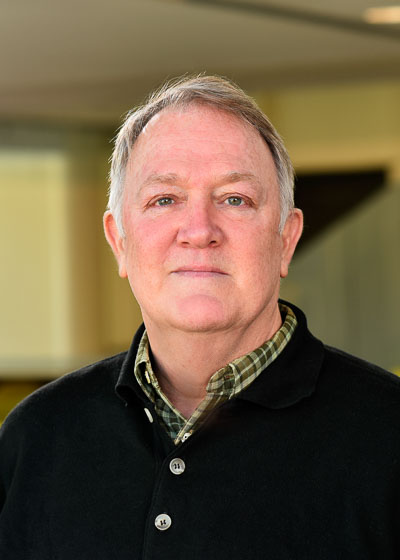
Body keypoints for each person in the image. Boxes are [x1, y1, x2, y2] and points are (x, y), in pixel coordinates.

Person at [0, 75, 399, 559]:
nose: (199, 230)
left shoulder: (388, 435)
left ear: (286, 239)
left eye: (235, 199)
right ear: (119, 241)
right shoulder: (36, 437)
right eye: (164, 199)